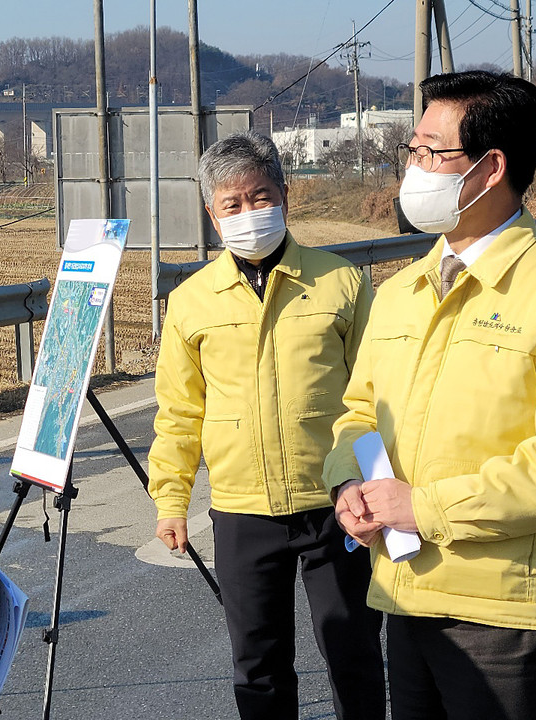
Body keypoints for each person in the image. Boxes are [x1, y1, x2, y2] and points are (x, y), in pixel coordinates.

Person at [324, 70, 536, 720]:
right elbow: (357, 414)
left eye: (432, 152)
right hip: (404, 594)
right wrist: (347, 486)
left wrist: (423, 507)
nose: (416, 167)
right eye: (413, 151)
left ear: (490, 168)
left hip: (505, 613)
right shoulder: (403, 291)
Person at [148, 131, 384, 720]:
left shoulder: (341, 281)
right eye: (232, 204)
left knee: (353, 650)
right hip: (242, 509)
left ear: (286, 194)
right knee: (257, 664)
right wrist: (171, 500)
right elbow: (179, 411)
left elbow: (380, 393)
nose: (249, 213)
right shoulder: (192, 300)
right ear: (212, 214)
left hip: (338, 501)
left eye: (260, 196)